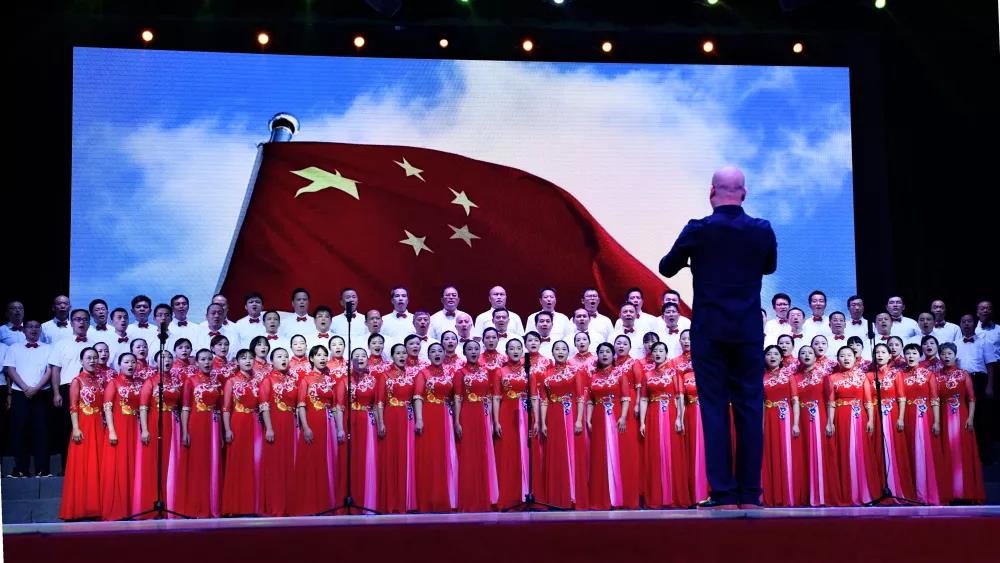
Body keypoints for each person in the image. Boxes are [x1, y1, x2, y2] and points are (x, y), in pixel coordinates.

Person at [638, 341, 691, 508]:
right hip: (653, 415)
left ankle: (675, 496)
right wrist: (642, 422)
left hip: (670, 412)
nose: (658, 353)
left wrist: (679, 418)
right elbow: (644, 399)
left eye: (661, 350)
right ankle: (657, 497)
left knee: (672, 451)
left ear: (666, 353)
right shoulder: (647, 375)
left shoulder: (674, 372)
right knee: (655, 452)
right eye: (655, 351)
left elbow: (680, 396)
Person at [133, 349, 185, 517]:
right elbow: (143, 407)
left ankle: (172, 502)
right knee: (156, 461)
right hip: (156, 422)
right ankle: (155, 500)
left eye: (169, 357)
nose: (167, 360)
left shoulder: (177, 380)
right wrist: (145, 429)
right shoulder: (151, 381)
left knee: (173, 461)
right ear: (156, 362)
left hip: (174, 423)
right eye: (163, 358)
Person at [539, 340, 588, 509]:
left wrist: (579, 420)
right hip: (553, 415)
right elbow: (544, 401)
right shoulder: (546, 374)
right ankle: (557, 497)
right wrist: (543, 423)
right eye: (557, 349)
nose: (560, 352)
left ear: (568, 352)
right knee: (557, 453)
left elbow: (580, 397)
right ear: (552, 353)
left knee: (573, 452)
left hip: (571, 413)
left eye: (564, 349)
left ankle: (574, 496)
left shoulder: (575, 372)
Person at [292, 345, 339, 515]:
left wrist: (339, 428)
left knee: (328, 460)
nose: (322, 358)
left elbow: (335, 406)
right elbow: (301, 406)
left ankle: (326, 503)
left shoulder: (330, 379)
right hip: (312, 421)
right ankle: (311, 504)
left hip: (329, 423)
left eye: (325, 355)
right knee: (312, 462)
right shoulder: (305, 380)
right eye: (318, 355)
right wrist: (305, 427)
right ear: (311, 358)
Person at [825, 346, 876, 505]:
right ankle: (846, 492)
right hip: (841, 417)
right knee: (844, 451)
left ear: (855, 359)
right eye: (842, 355)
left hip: (859, 416)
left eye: (849, 355)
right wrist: (830, 422)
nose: (846, 358)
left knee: (860, 451)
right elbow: (831, 403)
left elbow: (868, 401)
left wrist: (871, 420)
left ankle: (863, 492)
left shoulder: (862, 377)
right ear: (837, 359)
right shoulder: (832, 378)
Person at [936, 343, 986, 503]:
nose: (946, 356)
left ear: (955, 355)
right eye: (943, 354)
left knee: (962, 451)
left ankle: (966, 492)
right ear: (940, 356)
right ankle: (949, 492)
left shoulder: (963, 374)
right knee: (946, 451)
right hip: (943, 417)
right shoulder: (936, 376)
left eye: (949, 353)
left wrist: (970, 418)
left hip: (962, 416)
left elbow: (971, 398)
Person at [866, 343, 916, 502]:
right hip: (875, 415)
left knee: (894, 448)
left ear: (889, 356)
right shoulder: (868, 376)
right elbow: (867, 400)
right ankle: (879, 489)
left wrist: (900, 418)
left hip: (893, 414)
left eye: (883, 352)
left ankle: (897, 488)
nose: (880, 355)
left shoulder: (896, 374)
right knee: (878, 450)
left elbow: (901, 397)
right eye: (877, 352)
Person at [58, 347, 104, 520]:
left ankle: (95, 508)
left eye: (95, 358)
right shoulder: (77, 381)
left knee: (96, 465)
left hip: (98, 426)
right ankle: (78, 508)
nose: (92, 361)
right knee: (83, 465)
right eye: (89, 358)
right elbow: (73, 406)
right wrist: (76, 428)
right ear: (81, 361)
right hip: (84, 425)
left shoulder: (99, 381)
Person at [453, 340, 499, 512]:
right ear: (464, 352)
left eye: (476, 349)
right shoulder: (460, 373)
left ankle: (484, 497)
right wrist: (457, 421)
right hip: (468, 413)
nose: (473, 352)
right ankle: (469, 499)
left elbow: (491, 396)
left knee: (483, 453)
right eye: (470, 349)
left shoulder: (486, 372)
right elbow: (458, 398)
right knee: (468, 454)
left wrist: (493, 420)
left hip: (483, 414)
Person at [793, 345, 841, 507]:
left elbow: (830, 401)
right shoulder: (794, 378)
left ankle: (822, 495)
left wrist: (830, 422)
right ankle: (806, 494)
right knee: (803, 455)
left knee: (821, 453)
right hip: (802, 420)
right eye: (803, 353)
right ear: (798, 357)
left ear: (815, 357)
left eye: (810, 353)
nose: (806, 355)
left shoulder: (824, 376)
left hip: (820, 418)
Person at [4, 320, 53, 477]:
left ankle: (43, 469)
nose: (34, 329)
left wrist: (36, 388)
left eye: (37, 327)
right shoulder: (14, 348)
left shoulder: (48, 348)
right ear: (24, 330)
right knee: (19, 431)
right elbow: (10, 370)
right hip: (20, 393)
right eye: (30, 327)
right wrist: (25, 388)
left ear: (41, 330)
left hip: (42, 393)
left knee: (42, 431)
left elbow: (49, 370)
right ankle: (20, 469)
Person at [178, 349, 223, 518]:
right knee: (198, 464)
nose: (207, 362)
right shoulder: (191, 381)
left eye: (209, 359)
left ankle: (212, 505)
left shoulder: (217, 382)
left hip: (214, 425)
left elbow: (219, 408)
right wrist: (185, 431)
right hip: (197, 424)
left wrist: (221, 432)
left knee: (213, 462)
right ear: (196, 362)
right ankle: (197, 506)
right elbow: (185, 408)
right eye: (203, 359)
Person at [897, 343, 943, 505]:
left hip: (924, 415)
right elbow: (900, 398)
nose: (910, 356)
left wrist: (937, 421)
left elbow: (935, 399)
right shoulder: (900, 375)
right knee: (910, 451)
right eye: (908, 353)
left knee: (925, 451)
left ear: (920, 355)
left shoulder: (928, 374)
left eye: (914, 353)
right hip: (907, 415)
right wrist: (900, 418)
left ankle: (928, 492)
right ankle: (912, 493)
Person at [586, 343, 630, 510]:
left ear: (613, 355)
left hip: (616, 415)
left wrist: (623, 417)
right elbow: (590, 400)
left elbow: (625, 398)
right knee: (600, 453)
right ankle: (602, 496)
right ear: (597, 355)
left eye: (607, 352)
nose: (604, 355)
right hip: (598, 416)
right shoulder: (593, 376)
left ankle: (618, 496)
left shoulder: (620, 374)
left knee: (617, 453)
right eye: (601, 352)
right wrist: (588, 419)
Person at [414, 343, 458, 512]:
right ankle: (429, 498)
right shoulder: (423, 373)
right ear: (428, 355)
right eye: (433, 351)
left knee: (446, 453)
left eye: (440, 351)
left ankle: (446, 497)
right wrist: (419, 419)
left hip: (446, 415)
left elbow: (454, 397)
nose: (437, 354)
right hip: (430, 414)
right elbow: (418, 397)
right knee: (432, 455)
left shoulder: (449, 372)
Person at [221, 349, 264, 516]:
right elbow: (226, 408)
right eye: (243, 358)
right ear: (237, 361)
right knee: (238, 463)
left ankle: (254, 505)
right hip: (238, 422)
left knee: (256, 462)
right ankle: (236, 506)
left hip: (255, 422)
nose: (248, 361)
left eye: (250, 358)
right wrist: (227, 429)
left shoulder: (258, 381)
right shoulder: (231, 382)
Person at [100, 351, 143, 520]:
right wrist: (111, 430)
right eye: (126, 362)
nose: (131, 365)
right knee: (120, 466)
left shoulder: (140, 383)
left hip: (136, 427)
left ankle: (135, 506)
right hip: (119, 427)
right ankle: (119, 508)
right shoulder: (114, 383)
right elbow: (107, 407)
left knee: (135, 465)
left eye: (133, 362)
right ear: (119, 365)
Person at [379, 343, 421, 514]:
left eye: (404, 353)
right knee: (391, 455)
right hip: (391, 416)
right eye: (398, 353)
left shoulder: (413, 375)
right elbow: (379, 402)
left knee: (407, 455)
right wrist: (381, 422)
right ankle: (391, 501)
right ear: (392, 356)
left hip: (408, 417)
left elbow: (416, 398)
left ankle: (406, 500)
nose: (402, 356)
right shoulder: (385, 375)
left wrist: (418, 419)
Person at [491, 338, 533, 508]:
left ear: (522, 351)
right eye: (512, 348)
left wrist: (537, 420)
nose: (515, 351)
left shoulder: (528, 371)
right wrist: (496, 421)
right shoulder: (500, 372)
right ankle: (509, 495)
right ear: (507, 352)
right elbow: (496, 397)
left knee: (526, 450)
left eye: (518, 348)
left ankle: (526, 492)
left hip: (526, 412)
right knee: (508, 451)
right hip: (507, 413)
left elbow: (535, 397)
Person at [258, 347, 298, 517]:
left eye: (286, 356)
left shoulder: (292, 380)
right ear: (272, 361)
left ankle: (290, 504)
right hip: (275, 423)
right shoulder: (267, 380)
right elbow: (264, 405)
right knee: (275, 465)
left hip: (291, 423)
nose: (283, 359)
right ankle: (275, 505)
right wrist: (269, 428)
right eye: (279, 356)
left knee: (290, 463)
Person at [761, 345, 800, 507]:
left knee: (786, 453)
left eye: (776, 354)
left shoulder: (788, 375)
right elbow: (761, 404)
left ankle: (788, 495)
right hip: (768, 417)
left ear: (781, 357)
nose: (772, 356)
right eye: (769, 354)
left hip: (785, 417)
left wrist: (796, 423)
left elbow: (795, 400)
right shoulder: (760, 377)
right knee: (770, 453)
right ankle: (771, 494)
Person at [345, 348, 383, 512]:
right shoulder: (345, 380)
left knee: (368, 458)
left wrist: (380, 423)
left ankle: (368, 500)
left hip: (368, 422)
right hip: (350, 421)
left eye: (363, 356)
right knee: (352, 459)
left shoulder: (374, 380)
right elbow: (339, 405)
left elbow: (377, 404)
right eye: (356, 356)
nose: (360, 358)